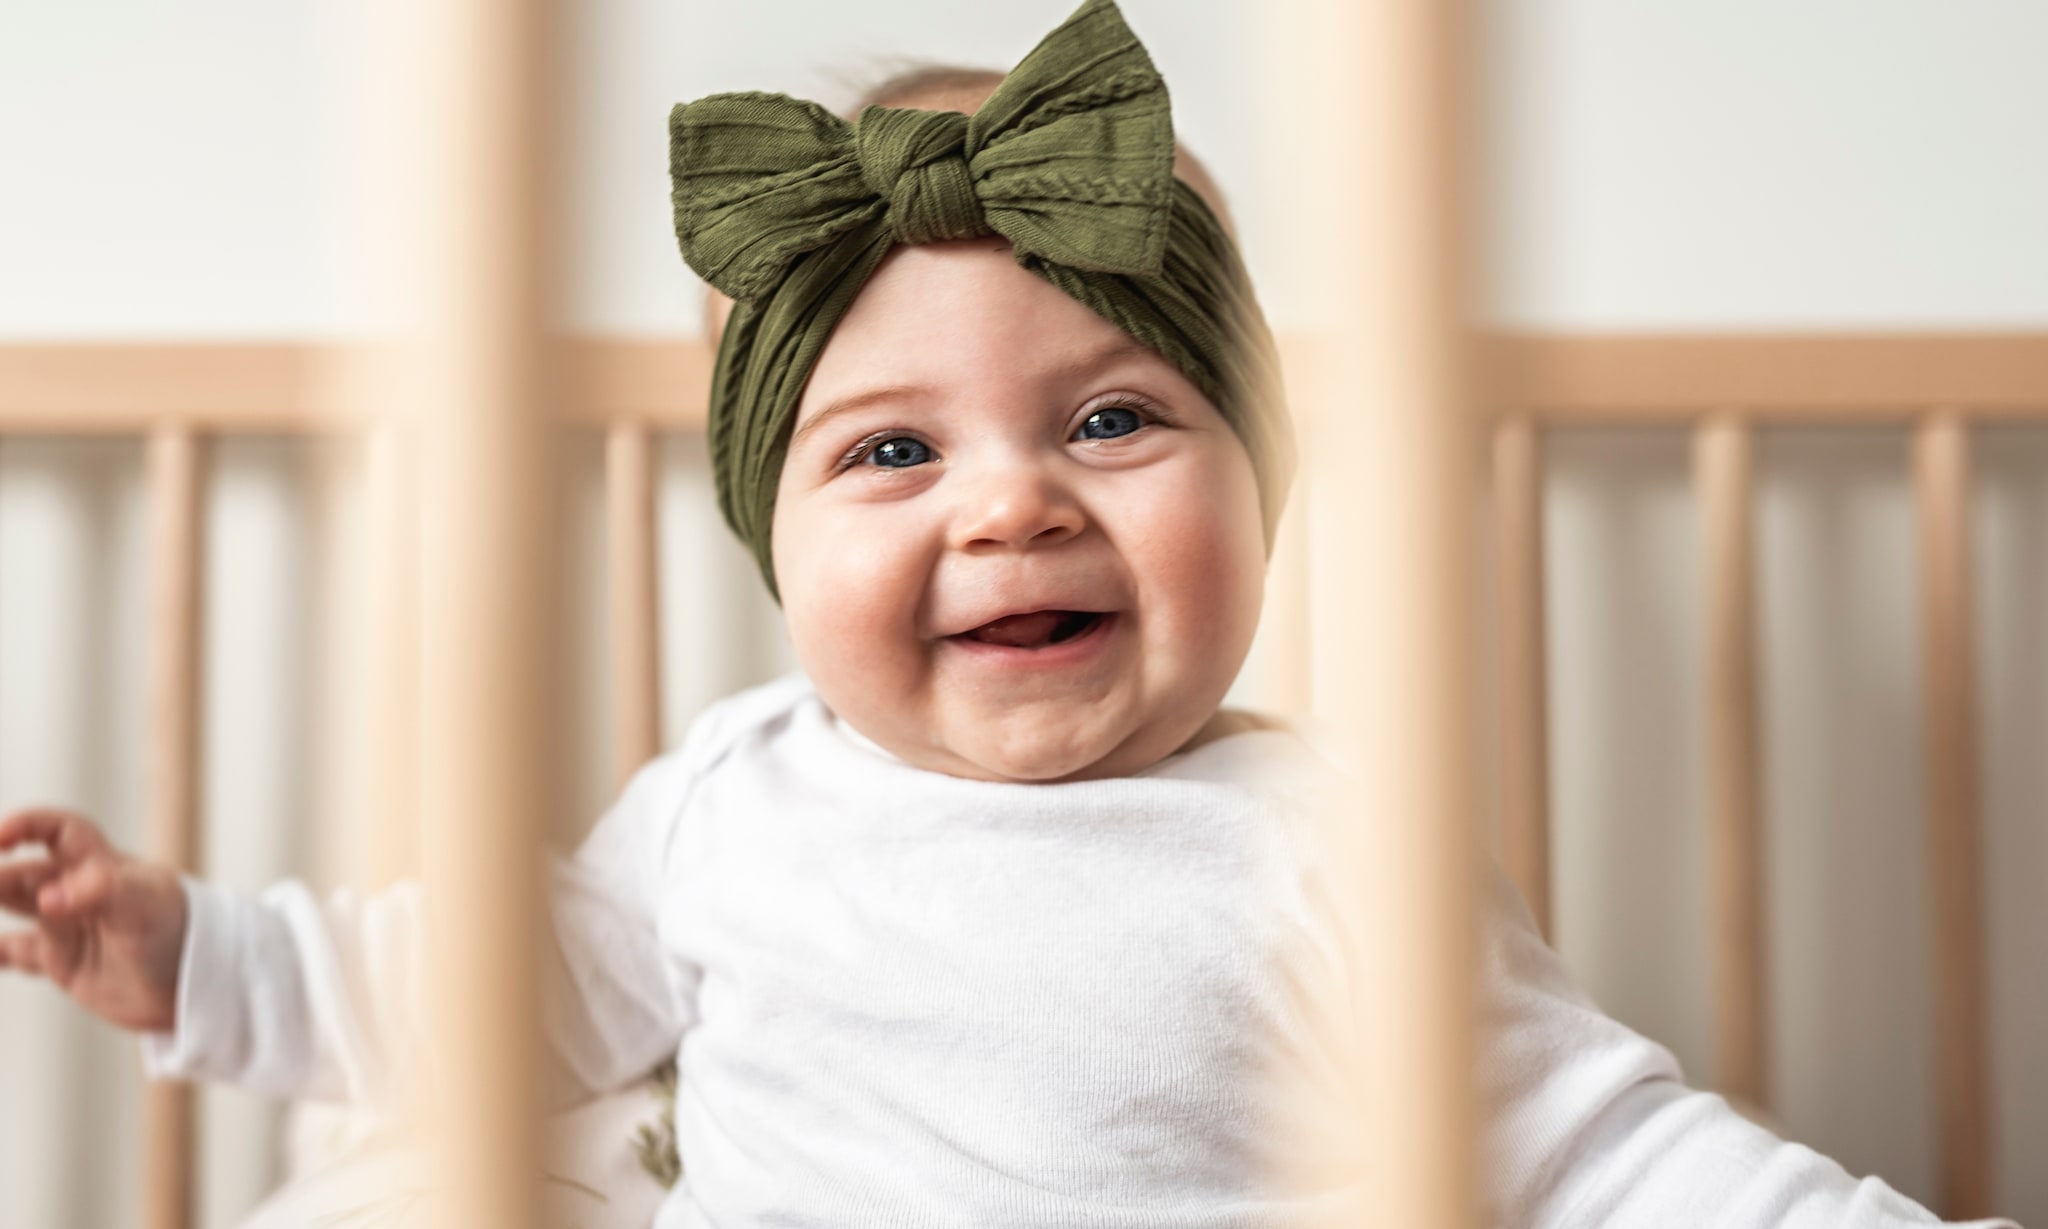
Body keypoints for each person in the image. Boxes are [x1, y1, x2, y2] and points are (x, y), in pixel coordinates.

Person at [0, 2, 2022, 1226]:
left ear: (1261, 480)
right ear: (767, 540)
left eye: (1116, 417)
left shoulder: (1319, 844)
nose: (1013, 502)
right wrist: (184, 950)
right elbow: (473, 1000)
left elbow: (1601, 1160)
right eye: (891, 454)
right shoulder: (737, 802)